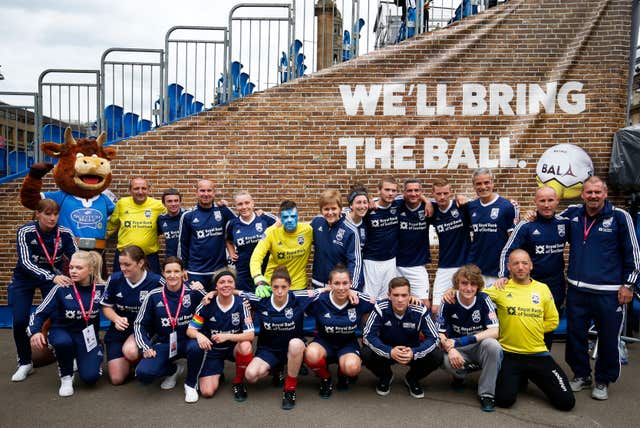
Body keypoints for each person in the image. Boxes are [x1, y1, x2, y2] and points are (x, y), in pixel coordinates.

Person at [561, 176, 640, 400]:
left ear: (605, 194)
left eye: (597, 192)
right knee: (575, 336)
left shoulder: (620, 217)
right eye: (589, 192)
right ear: (582, 194)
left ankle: (603, 381)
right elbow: (548, 219)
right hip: (577, 290)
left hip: (610, 292)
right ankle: (581, 375)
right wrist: (528, 214)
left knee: (608, 339)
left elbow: (634, 254)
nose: (593, 196)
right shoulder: (573, 214)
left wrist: (629, 285)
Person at [485, 249, 575, 411]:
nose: (520, 267)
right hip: (510, 354)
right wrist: (451, 292)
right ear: (509, 267)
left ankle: (529, 375)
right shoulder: (500, 288)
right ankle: (520, 376)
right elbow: (471, 294)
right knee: (504, 400)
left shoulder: (542, 289)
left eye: (524, 263)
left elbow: (553, 321)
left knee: (566, 402)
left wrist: (531, 327)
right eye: (516, 263)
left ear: (531, 266)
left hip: (538, 354)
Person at [9, 199, 77, 381]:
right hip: (25, 279)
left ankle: (69, 355)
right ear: (38, 214)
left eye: (55, 214)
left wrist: (83, 272)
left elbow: (76, 257)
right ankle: (25, 363)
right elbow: (25, 262)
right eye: (48, 214)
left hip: (51, 280)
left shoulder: (65, 233)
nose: (53, 218)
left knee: (61, 316)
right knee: (20, 320)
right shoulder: (25, 231)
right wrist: (52, 276)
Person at [498, 186, 568, 349]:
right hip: (530, 285)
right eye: (542, 201)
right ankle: (523, 361)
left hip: (555, 286)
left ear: (557, 201)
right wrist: (503, 274)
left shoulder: (564, 223)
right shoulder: (526, 226)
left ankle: (543, 360)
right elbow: (507, 251)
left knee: (549, 326)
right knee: (527, 325)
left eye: (550, 200)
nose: (546, 205)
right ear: (535, 202)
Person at [243, 266, 322, 410]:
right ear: (270, 286)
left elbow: (322, 291)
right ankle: (276, 368)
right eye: (275, 287)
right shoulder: (262, 299)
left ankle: (290, 389)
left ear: (289, 286)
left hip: (293, 350)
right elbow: (236, 293)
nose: (279, 291)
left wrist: (350, 292)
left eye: (284, 287)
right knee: (250, 375)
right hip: (268, 350)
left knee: (296, 344)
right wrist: (212, 292)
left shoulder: (298, 297)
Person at [28, 251, 105, 397]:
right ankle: (66, 377)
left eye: (79, 268)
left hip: (86, 337)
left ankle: (97, 349)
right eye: (71, 267)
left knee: (90, 378)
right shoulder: (61, 288)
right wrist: (35, 331)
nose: (73, 271)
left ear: (90, 269)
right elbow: (39, 313)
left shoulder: (101, 289)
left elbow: (115, 307)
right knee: (63, 343)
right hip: (62, 331)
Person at [362, 277, 443, 398]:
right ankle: (385, 376)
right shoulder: (380, 307)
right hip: (387, 350)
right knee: (366, 353)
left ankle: (412, 378)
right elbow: (368, 335)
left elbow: (434, 338)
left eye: (404, 295)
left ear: (410, 295)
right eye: (396, 295)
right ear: (389, 296)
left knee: (437, 356)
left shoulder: (420, 309)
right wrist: (389, 351)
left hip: (411, 351)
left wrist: (415, 352)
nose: (400, 300)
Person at [133, 257, 205, 390]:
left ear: (183, 272)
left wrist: (208, 292)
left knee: (197, 347)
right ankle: (174, 370)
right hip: (165, 343)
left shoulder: (194, 292)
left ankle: (190, 384)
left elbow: (214, 303)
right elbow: (139, 324)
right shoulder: (153, 295)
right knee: (143, 373)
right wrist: (145, 346)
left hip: (189, 341)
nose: (172, 275)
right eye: (168, 271)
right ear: (163, 273)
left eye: (176, 271)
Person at [437, 264, 501, 412]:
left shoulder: (484, 299)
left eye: (473, 284)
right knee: (442, 357)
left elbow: (494, 331)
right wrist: (451, 348)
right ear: (457, 284)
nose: (468, 288)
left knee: (493, 346)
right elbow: (440, 333)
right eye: (464, 283)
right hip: (457, 349)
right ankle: (460, 376)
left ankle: (486, 394)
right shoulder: (448, 300)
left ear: (478, 286)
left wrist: (462, 340)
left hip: (477, 345)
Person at [185, 268, 254, 403]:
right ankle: (218, 373)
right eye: (222, 282)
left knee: (246, 346)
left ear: (234, 285)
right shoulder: (206, 303)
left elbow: (250, 335)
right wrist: (199, 336)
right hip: (213, 350)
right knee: (207, 392)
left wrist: (227, 336)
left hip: (234, 348)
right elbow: (190, 330)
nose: (226, 285)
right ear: (216, 286)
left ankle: (238, 382)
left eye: (230, 281)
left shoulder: (242, 304)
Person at [305, 265, 374, 397]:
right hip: (323, 342)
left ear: (351, 283)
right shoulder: (319, 300)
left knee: (352, 368)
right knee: (311, 354)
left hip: (347, 344)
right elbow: (293, 297)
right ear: (330, 284)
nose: (341, 288)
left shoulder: (358, 299)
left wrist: (412, 299)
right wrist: (322, 289)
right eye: (336, 283)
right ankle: (325, 378)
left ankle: (343, 374)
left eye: (345, 283)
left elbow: (385, 303)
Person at [101, 245, 164, 385]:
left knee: (130, 351)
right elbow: (106, 307)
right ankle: (130, 364)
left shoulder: (156, 281)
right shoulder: (115, 279)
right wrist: (115, 318)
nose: (123, 268)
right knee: (117, 379)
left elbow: (173, 296)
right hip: (119, 329)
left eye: (127, 264)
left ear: (140, 263)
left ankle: (140, 362)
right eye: (121, 264)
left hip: (143, 329)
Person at [178, 179, 236, 289]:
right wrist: (183, 268)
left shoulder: (223, 211)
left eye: (209, 190)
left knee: (217, 303)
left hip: (219, 271)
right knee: (196, 303)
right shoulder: (188, 216)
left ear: (214, 193)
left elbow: (241, 222)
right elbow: (183, 244)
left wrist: (259, 214)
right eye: (202, 191)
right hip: (196, 271)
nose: (206, 194)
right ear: (196, 193)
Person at [466, 168, 517, 286]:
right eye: (478, 183)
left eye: (486, 182)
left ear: (492, 183)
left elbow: (513, 241)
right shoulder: (471, 207)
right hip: (477, 270)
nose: (483, 187)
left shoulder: (506, 206)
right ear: (473, 186)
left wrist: (509, 269)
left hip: (498, 271)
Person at [250, 200, 313, 292]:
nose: (290, 220)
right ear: (280, 218)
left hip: (298, 285)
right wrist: (258, 277)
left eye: (293, 216)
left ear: (298, 217)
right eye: (286, 217)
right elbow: (256, 257)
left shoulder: (308, 230)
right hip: (274, 284)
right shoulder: (270, 232)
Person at [429, 178, 471, 316]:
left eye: (445, 193)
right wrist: (425, 201)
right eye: (439, 194)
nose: (442, 197)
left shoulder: (461, 206)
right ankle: (439, 336)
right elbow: (406, 198)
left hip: (464, 264)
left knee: (462, 304)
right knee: (435, 309)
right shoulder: (432, 210)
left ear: (451, 193)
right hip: (444, 265)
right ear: (433, 194)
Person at [107, 177, 166, 273]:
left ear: (148, 190)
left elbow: (170, 220)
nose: (140, 192)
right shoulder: (122, 203)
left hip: (149, 256)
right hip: (124, 256)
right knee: (120, 285)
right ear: (130, 190)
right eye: (136, 188)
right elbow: (111, 226)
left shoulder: (158, 205)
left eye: (144, 188)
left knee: (153, 286)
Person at [311, 189, 363, 290]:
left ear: (340, 209)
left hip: (339, 287)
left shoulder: (350, 231)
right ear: (321, 210)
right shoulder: (316, 223)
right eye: (326, 209)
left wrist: (351, 288)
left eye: (334, 208)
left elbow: (355, 263)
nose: (330, 213)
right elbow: (300, 231)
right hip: (318, 284)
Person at [225, 191, 277, 291]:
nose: (244, 207)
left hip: (265, 270)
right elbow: (228, 240)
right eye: (240, 204)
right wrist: (231, 253)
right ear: (236, 206)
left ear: (253, 203)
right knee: (247, 302)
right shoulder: (232, 224)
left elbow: (281, 227)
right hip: (243, 272)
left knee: (265, 301)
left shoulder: (266, 219)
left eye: (247, 203)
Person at [396, 179, 432, 306]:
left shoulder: (429, 207)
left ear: (421, 192)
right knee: (395, 302)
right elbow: (381, 200)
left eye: (417, 190)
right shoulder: (396, 204)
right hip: (396, 265)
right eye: (409, 190)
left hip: (417, 265)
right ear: (403, 193)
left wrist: (427, 201)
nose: (413, 194)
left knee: (424, 304)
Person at [362, 177, 400, 299]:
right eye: (387, 189)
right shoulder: (368, 208)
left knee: (386, 298)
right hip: (371, 261)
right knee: (369, 300)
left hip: (390, 261)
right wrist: (368, 200)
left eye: (394, 190)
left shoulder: (398, 205)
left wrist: (426, 201)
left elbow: (415, 197)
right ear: (379, 190)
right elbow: (349, 209)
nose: (390, 193)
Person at [344, 184, 369, 289]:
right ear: (351, 205)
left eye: (365, 202)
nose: (362, 206)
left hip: (356, 273)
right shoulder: (341, 219)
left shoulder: (366, 223)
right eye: (358, 202)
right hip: (339, 273)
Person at [157, 188, 185, 260]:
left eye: (176, 201)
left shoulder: (187, 216)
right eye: (169, 201)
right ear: (164, 204)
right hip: (170, 259)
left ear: (180, 202)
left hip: (187, 259)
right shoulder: (161, 219)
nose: (173, 204)